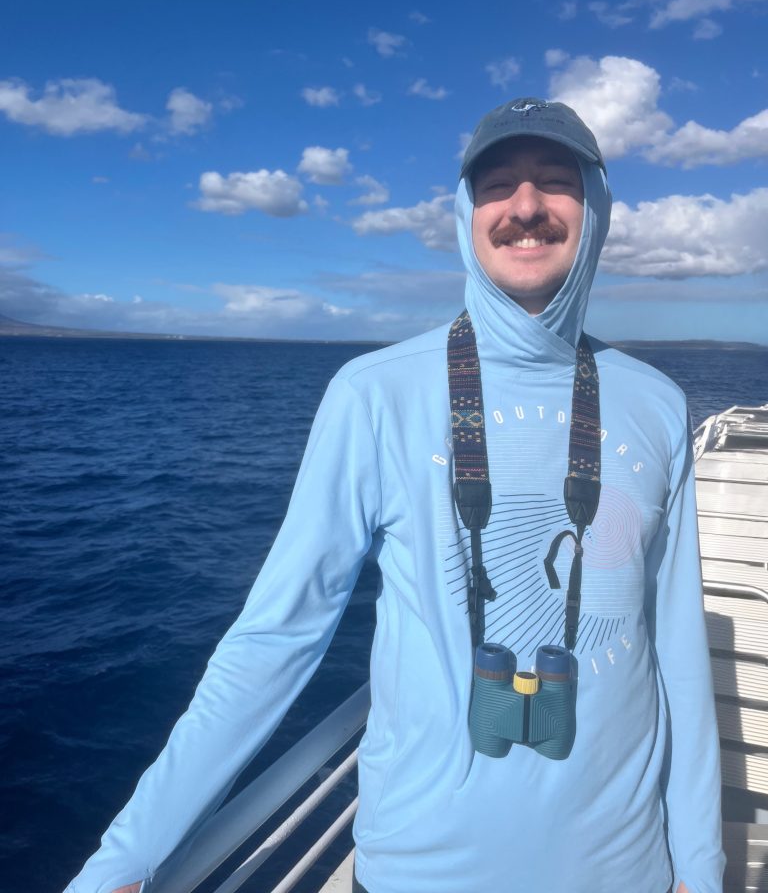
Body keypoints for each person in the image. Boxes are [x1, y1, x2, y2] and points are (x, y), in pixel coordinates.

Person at [66, 98, 725, 893]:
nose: (525, 206)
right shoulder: (373, 395)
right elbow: (275, 640)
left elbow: (677, 652)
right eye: (497, 185)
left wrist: (699, 861)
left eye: (556, 182)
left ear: (595, 209)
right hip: (421, 872)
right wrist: (130, 856)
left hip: (622, 872)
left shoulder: (655, 402)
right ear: (464, 213)